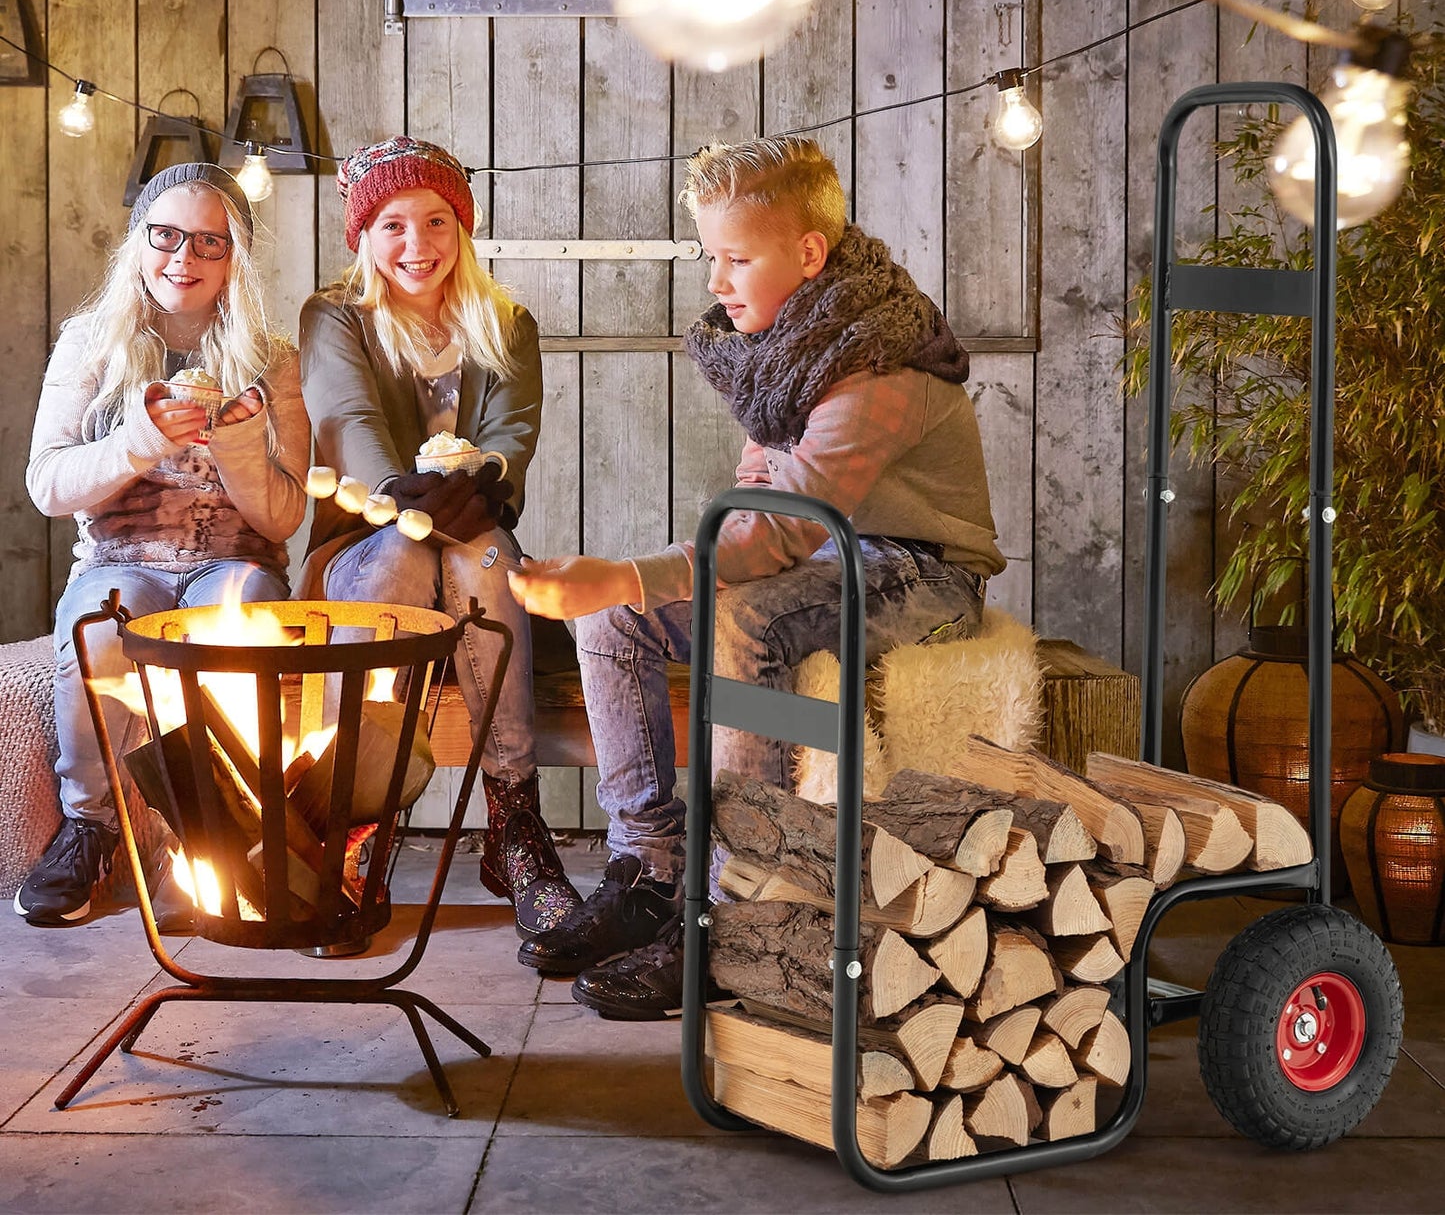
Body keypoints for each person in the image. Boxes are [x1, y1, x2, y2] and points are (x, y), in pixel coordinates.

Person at [509, 134, 1006, 1019]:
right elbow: (754, 505)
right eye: (711, 256)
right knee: (614, 621)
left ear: (808, 253)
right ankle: (651, 870)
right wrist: (626, 590)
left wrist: (624, 571)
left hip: (922, 574)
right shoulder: (787, 351)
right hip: (822, 562)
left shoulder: (877, 361)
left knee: (746, 622)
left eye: (736, 259)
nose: (716, 280)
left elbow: (786, 524)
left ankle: (735, 915)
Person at [298, 136, 581, 939]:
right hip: (363, 546)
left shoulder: (506, 323)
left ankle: (514, 823)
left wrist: (483, 481)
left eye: (434, 221)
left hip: (472, 544)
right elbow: (346, 416)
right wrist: (398, 495)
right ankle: (356, 820)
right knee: (402, 550)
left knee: (483, 553)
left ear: (461, 227)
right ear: (365, 235)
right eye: (392, 224)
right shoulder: (335, 316)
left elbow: (512, 432)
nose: (416, 244)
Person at [17, 163, 309, 926]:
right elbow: (48, 484)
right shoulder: (92, 343)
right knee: (96, 630)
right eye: (167, 235)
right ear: (138, 243)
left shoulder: (271, 357)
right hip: (121, 561)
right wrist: (139, 440)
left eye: (210, 241)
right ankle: (91, 827)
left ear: (236, 257)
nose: (185, 257)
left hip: (233, 560)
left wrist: (240, 445)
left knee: (234, 626)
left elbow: (283, 517)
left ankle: (214, 838)